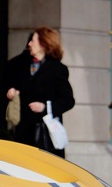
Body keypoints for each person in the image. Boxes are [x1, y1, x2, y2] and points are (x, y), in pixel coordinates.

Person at [5, 26, 75, 157]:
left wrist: (45, 107)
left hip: (45, 136)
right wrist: (13, 90)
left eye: (33, 40)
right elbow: (8, 72)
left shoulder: (57, 69)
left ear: (44, 44)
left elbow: (68, 100)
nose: (29, 44)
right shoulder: (23, 65)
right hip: (23, 133)